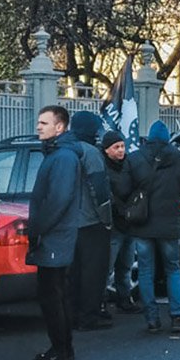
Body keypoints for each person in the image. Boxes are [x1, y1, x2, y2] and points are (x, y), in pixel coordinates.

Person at [115, 121, 180, 333]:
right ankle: (177, 316)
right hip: (169, 222)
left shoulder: (134, 158)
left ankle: (151, 318)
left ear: (149, 137)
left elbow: (123, 189)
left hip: (142, 223)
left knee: (145, 270)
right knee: (173, 268)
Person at [26, 105, 83, 360]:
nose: (38, 126)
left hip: (55, 237)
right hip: (55, 236)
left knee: (53, 295)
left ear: (59, 127)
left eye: (44, 123)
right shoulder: (58, 154)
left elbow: (58, 199)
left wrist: (39, 228)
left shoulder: (63, 157)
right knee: (54, 294)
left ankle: (61, 349)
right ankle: (61, 348)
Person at [68, 112, 113, 332]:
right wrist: (107, 221)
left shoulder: (61, 149)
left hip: (67, 223)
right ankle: (89, 317)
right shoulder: (90, 153)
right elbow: (99, 191)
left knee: (72, 274)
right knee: (93, 273)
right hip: (90, 222)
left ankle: (73, 315)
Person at [101, 129, 140, 315]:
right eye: (116, 147)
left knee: (125, 264)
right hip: (113, 223)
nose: (121, 150)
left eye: (123, 146)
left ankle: (125, 298)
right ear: (107, 149)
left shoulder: (129, 165)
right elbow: (107, 194)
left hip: (129, 223)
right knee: (107, 266)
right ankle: (101, 301)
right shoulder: (103, 167)